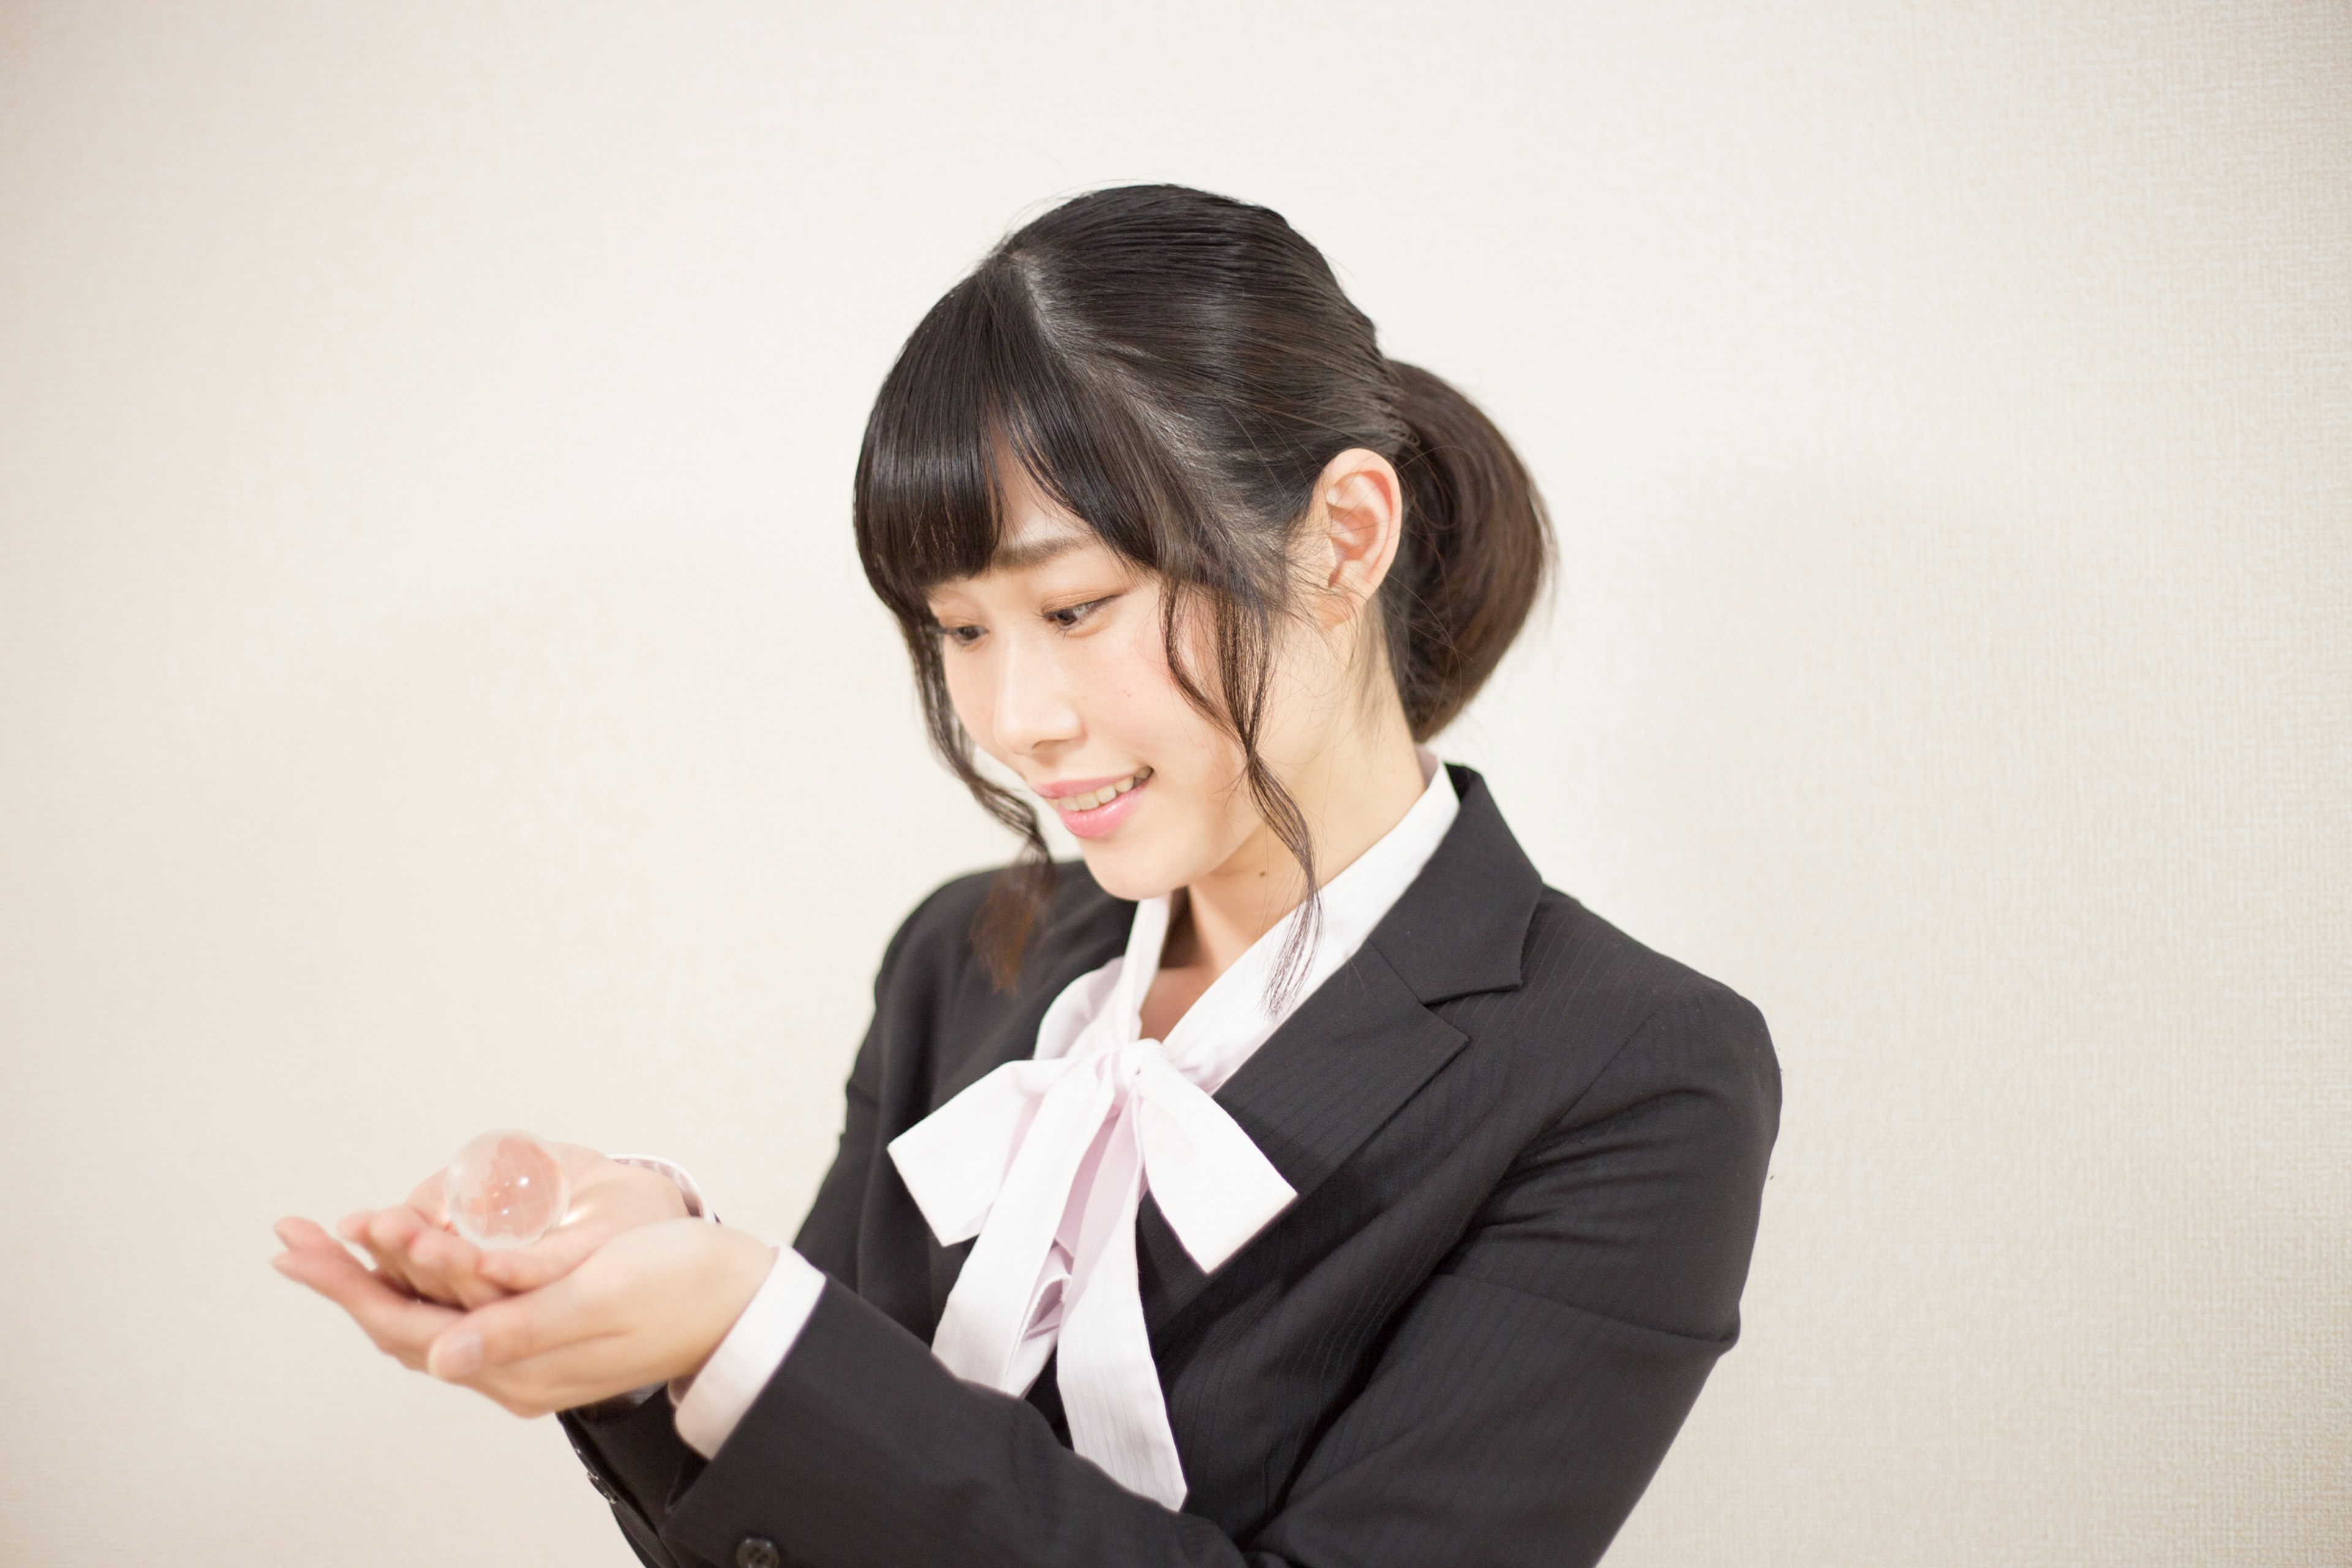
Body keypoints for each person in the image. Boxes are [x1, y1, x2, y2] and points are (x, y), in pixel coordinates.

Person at [273, 184, 1782, 1568]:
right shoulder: (968, 959)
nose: (1015, 720)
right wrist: (657, 1324)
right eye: (962, 628)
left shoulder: (1630, 1068)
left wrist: (747, 1319)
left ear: (1343, 537)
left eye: (1076, 604)